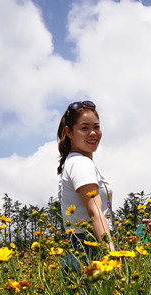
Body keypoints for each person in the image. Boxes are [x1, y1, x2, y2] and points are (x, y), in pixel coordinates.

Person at [57, 100, 114, 266]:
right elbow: (95, 212)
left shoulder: (73, 162)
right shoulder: (81, 163)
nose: (93, 133)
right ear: (69, 132)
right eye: (84, 128)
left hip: (79, 246)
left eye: (96, 127)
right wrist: (111, 255)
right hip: (90, 247)